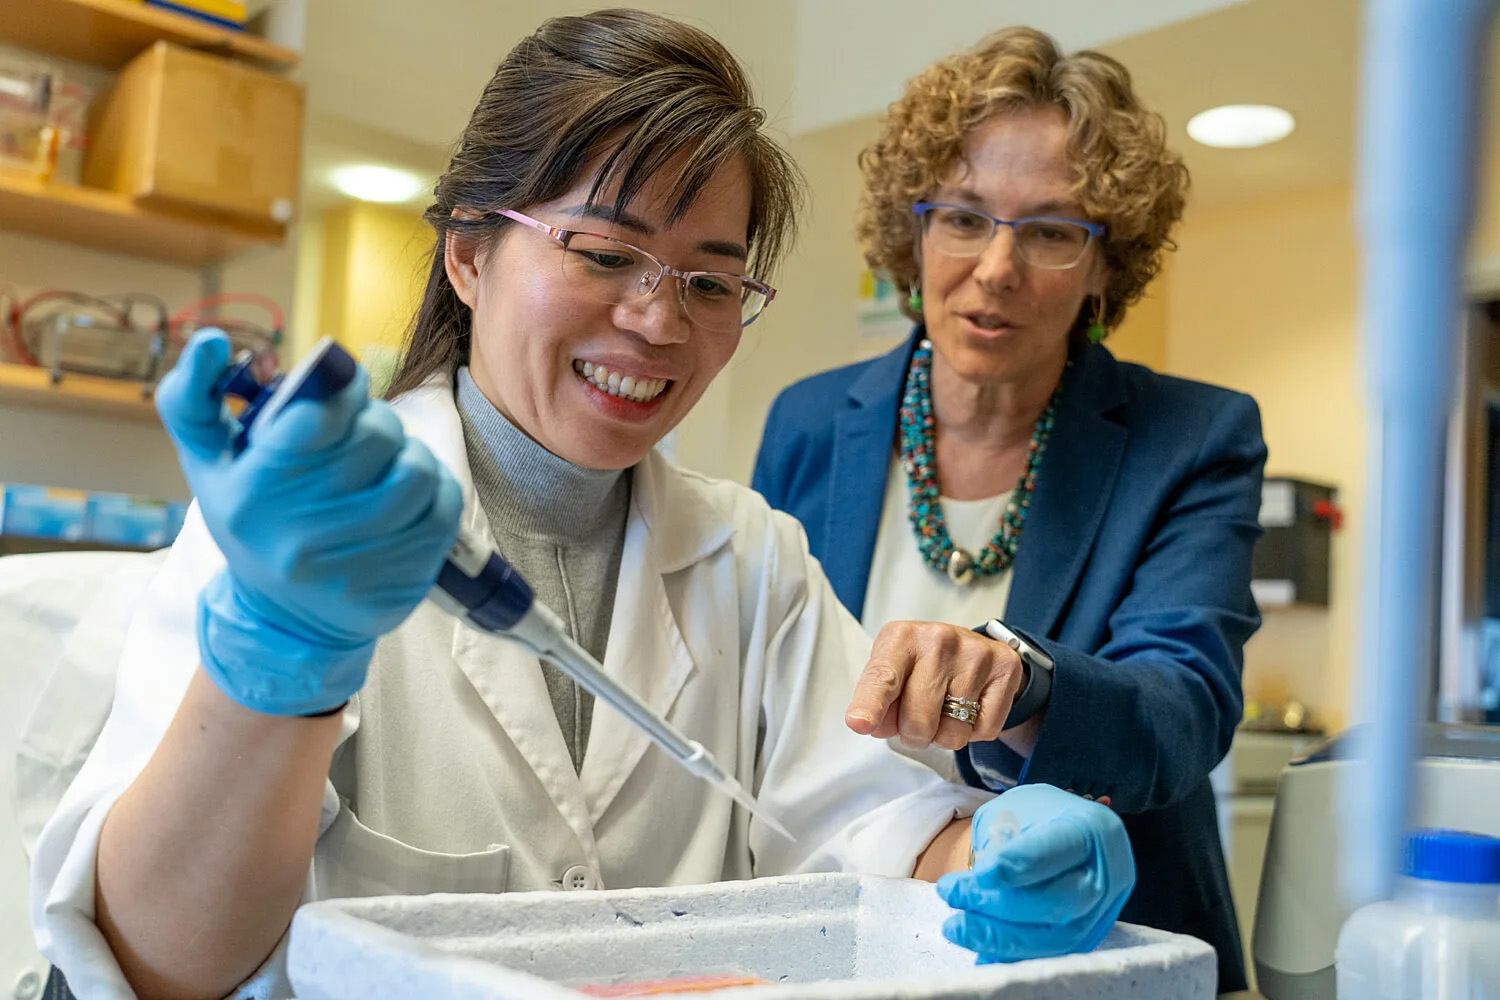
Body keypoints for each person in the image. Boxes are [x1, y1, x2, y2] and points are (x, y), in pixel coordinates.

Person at [27, 12, 1135, 1000]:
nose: (659, 321)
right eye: (606, 253)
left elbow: (860, 834)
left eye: (710, 281)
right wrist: (282, 649)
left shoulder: (755, 560)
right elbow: (151, 967)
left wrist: (990, 854)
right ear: (468, 251)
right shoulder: (297, 543)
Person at [753, 26, 1265, 993]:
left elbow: (1182, 706)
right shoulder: (811, 421)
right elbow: (763, 687)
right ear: (913, 232)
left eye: (1052, 231)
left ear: (1108, 265)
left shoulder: (1193, 436)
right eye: (963, 218)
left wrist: (1025, 683)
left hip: (1100, 942)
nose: (996, 268)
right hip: (851, 926)